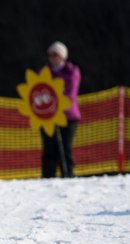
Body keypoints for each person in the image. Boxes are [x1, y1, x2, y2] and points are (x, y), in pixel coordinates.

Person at [41, 41, 80, 178]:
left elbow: (69, 92)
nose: (52, 57)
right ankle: (47, 176)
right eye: (50, 55)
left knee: (65, 148)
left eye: (55, 54)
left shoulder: (72, 72)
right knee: (49, 149)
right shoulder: (45, 72)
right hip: (47, 116)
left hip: (68, 116)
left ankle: (68, 175)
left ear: (62, 56)